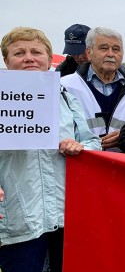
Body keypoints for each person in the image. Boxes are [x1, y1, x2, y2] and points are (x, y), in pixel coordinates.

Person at [0, 27, 101, 272]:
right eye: (19, 53)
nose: (29, 58)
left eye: (36, 52)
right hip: (18, 217)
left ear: (48, 60)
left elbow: (93, 142)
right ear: (6, 60)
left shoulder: (66, 97)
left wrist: (79, 147)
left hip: (65, 216)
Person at [61, 27, 125, 151]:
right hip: (82, 165)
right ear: (88, 53)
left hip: (123, 166)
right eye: (104, 48)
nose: (110, 54)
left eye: (116, 49)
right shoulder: (64, 86)